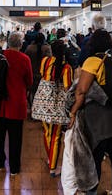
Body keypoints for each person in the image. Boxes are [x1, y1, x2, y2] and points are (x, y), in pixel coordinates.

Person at [69, 29, 112, 195]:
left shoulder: (93, 61)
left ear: (92, 43)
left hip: (98, 119)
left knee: (94, 158)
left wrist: (72, 113)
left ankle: (91, 192)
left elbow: (81, 91)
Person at [0, 32, 33, 176]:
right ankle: (14, 168)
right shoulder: (24, 59)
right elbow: (29, 81)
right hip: (16, 104)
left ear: (8, 42)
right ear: (20, 44)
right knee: (15, 138)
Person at [40, 39, 73, 177]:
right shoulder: (66, 68)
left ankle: (50, 159)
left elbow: (43, 75)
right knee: (56, 136)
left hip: (43, 102)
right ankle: (53, 168)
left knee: (47, 133)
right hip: (57, 105)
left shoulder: (45, 61)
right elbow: (68, 88)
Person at [25, 33, 52, 108]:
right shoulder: (47, 48)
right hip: (44, 74)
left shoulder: (29, 48)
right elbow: (50, 60)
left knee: (32, 92)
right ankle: (41, 109)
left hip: (32, 73)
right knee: (43, 92)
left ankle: (32, 108)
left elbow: (26, 60)